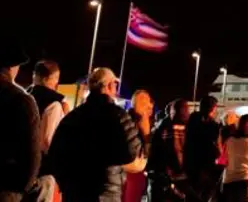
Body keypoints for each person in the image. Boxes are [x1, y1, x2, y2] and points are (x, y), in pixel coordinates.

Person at [48, 68, 145, 202]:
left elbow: (55, 154)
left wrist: (66, 184)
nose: (116, 88)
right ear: (109, 86)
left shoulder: (73, 117)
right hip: (106, 193)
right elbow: (132, 154)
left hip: (74, 193)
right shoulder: (118, 116)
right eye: (115, 84)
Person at [0, 39, 41, 202]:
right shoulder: (21, 100)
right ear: (13, 67)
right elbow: (32, 152)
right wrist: (26, 186)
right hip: (7, 187)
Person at [25, 60, 67, 202]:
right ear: (48, 79)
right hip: (42, 170)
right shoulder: (54, 104)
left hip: (20, 166)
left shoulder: (23, 97)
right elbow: (49, 141)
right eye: (56, 78)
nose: (57, 83)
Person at [185, 96, 222, 200]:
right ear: (213, 108)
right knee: (205, 192)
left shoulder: (191, 120)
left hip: (190, 161)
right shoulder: (213, 125)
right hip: (206, 164)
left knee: (192, 192)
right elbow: (217, 145)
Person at [122, 91, 153, 202]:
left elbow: (147, 153)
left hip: (138, 173)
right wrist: (146, 133)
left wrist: (147, 134)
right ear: (135, 104)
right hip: (126, 173)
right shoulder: (127, 120)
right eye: (144, 102)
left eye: (149, 103)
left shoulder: (147, 122)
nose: (148, 106)